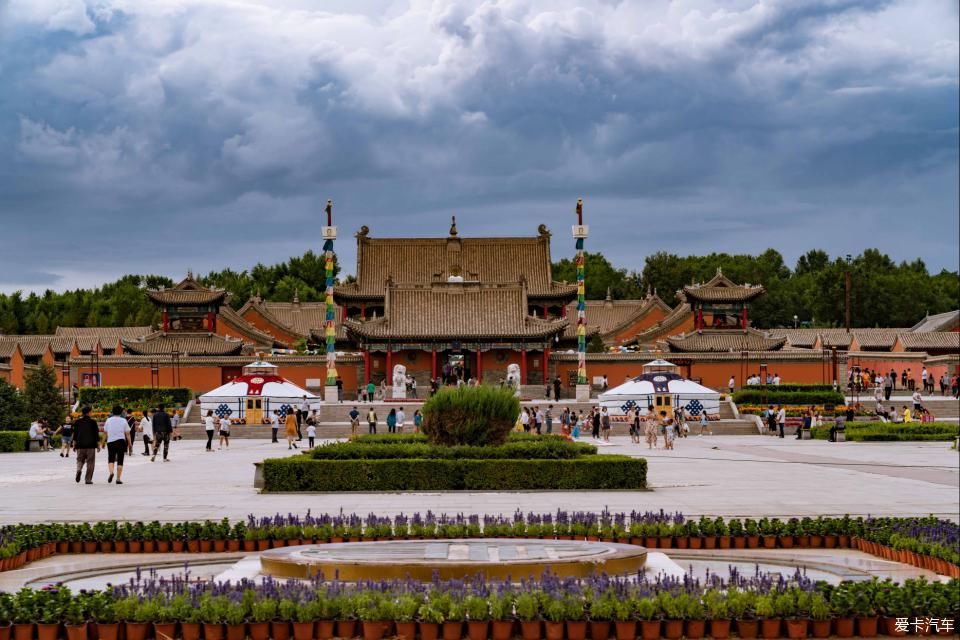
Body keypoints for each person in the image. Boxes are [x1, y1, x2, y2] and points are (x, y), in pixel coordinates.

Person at [72, 406, 100, 484]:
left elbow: (75, 435)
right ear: (88, 413)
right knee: (90, 462)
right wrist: (98, 445)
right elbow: (96, 435)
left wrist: (74, 445)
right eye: (91, 412)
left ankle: (79, 469)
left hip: (80, 445)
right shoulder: (93, 422)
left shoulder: (77, 422)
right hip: (91, 445)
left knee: (79, 459)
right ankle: (88, 479)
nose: (92, 413)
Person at [103, 405, 131, 484]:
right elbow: (127, 433)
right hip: (121, 441)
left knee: (111, 458)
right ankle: (118, 479)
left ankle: (111, 472)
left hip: (111, 441)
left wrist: (103, 442)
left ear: (112, 411)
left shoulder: (108, 420)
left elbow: (105, 432)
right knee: (120, 460)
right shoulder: (123, 420)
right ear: (121, 412)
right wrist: (130, 444)